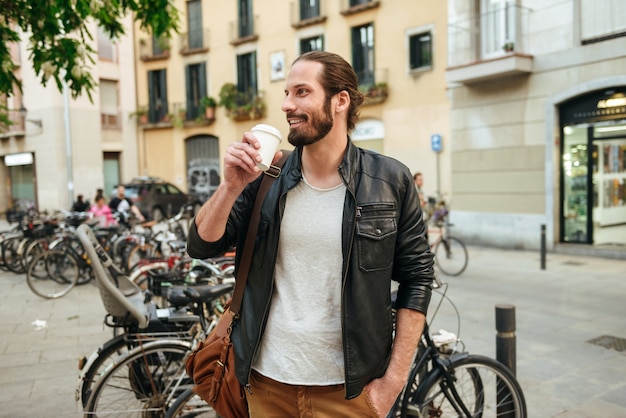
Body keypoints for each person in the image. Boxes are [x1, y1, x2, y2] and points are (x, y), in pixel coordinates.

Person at [187, 51, 434, 417]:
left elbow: (418, 278)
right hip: (267, 384)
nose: (287, 105)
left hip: (350, 393)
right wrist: (230, 187)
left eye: (302, 92)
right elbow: (202, 245)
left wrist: (391, 384)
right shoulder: (265, 178)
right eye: (286, 93)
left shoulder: (389, 180)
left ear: (340, 100)